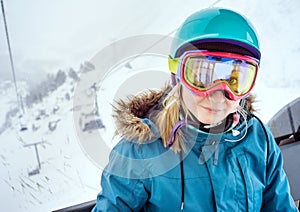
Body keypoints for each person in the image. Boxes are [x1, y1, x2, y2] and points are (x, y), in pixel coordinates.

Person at [92, 7, 299, 211]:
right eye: (203, 76)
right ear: (177, 74)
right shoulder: (140, 151)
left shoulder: (257, 139)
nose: (218, 96)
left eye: (235, 80)